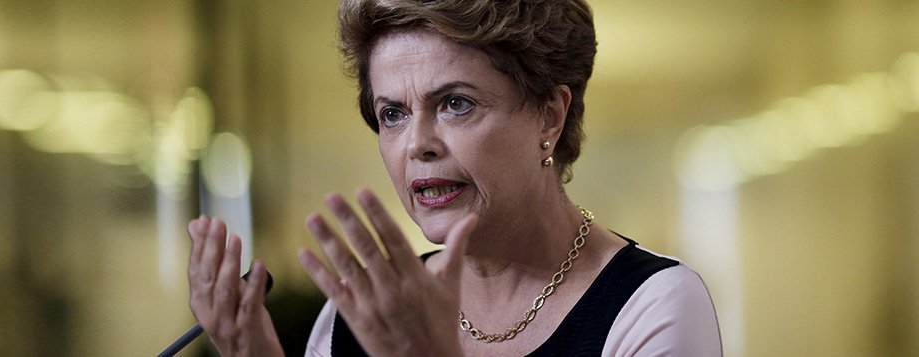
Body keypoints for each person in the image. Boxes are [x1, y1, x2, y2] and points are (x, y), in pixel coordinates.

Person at [185, 0, 723, 355]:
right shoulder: (358, 314)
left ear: (550, 117)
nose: (417, 144)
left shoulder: (652, 305)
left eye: (455, 104)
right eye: (392, 113)